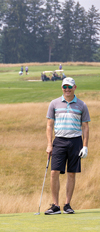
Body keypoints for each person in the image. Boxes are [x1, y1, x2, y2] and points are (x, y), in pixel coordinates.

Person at [45, 77, 90, 215]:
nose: (67, 89)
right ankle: (55, 206)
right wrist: (49, 144)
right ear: (61, 88)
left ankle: (67, 205)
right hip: (59, 141)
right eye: (65, 86)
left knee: (71, 173)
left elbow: (85, 127)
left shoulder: (82, 105)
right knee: (54, 173)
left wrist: (85, 146)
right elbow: (49, 125)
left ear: (75, 87)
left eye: (70, 86)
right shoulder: (54, 103)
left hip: (75, 141)